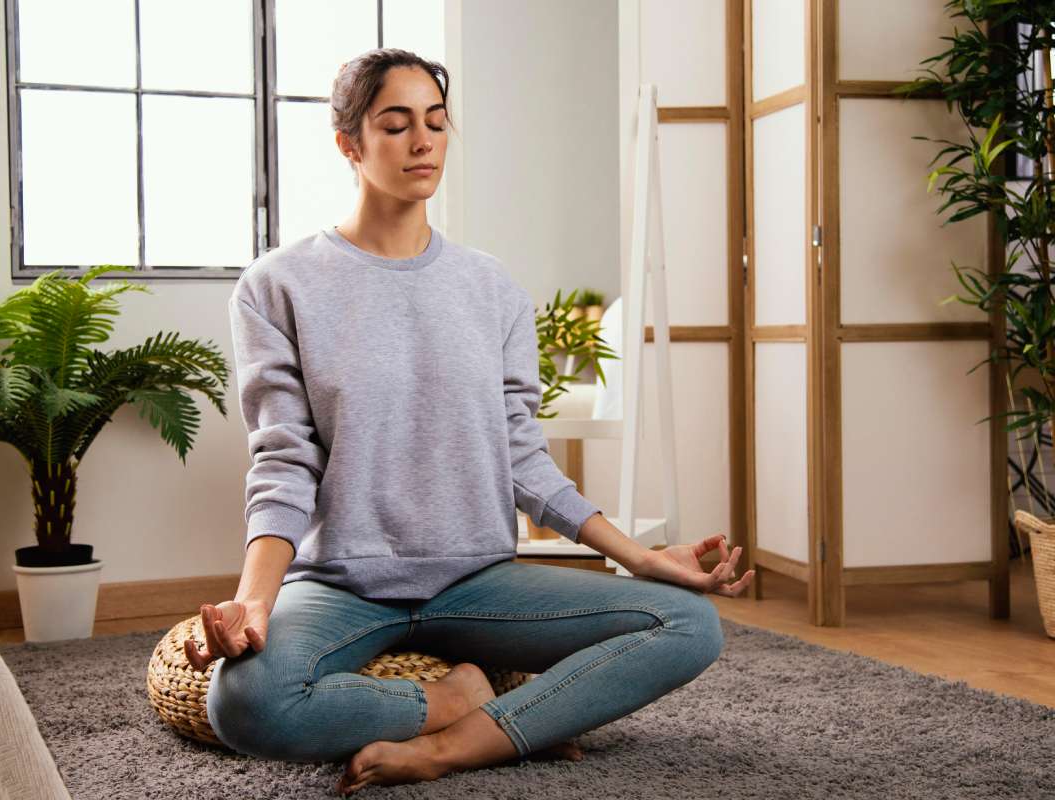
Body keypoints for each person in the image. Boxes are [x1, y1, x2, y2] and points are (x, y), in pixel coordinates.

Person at [186, 48, 755, 796]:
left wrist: (637, 557)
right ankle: (455, 700)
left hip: (478, 579)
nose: (423, 142)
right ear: (349, 144)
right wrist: (254, 602)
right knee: (245, 703)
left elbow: (522, 456)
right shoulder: (277, 286)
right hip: (342, 585)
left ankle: (459, 747)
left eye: (436, 122)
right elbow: (284, 460)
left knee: (690, 625)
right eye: (396, 125)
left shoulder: (491, 289)